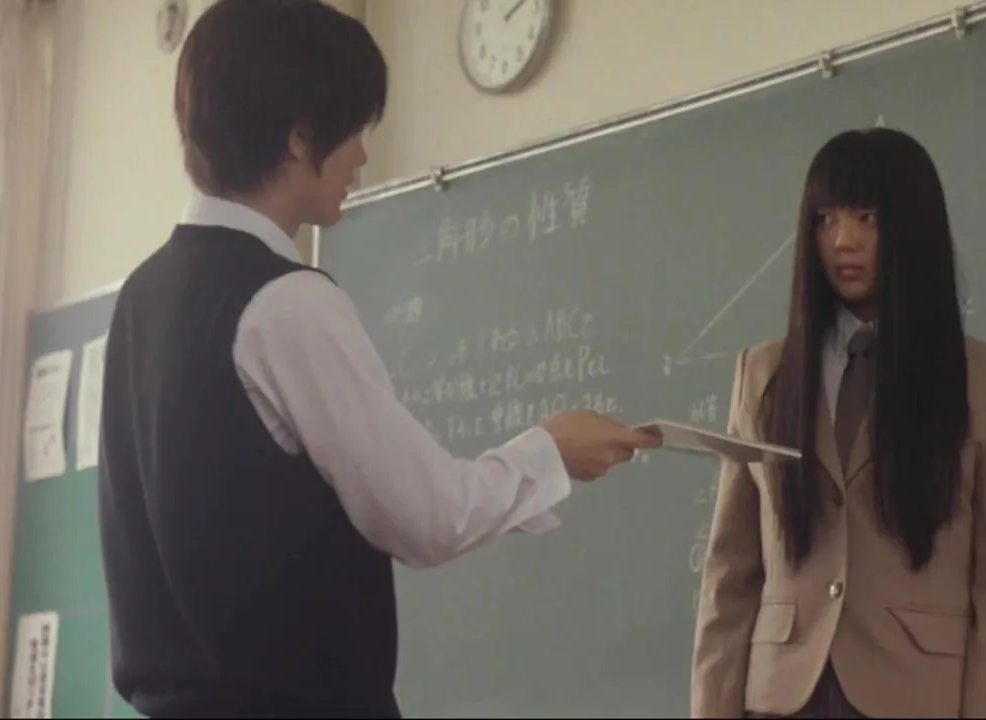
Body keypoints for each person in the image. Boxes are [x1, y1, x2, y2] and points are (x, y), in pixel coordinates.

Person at [95, 1, 660, 717]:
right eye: (356, 129)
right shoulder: (285, 302)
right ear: (300, 137)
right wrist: (551, 450)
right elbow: (426, 516)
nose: (362, 156)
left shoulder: (142, 295)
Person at [690, 128, 986, 719]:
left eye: (868, 218)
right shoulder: (763, 374)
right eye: (825, 219)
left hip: (915, 697)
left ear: (913, 228)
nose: (843, 240)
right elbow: (731, 571)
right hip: (779, 698)